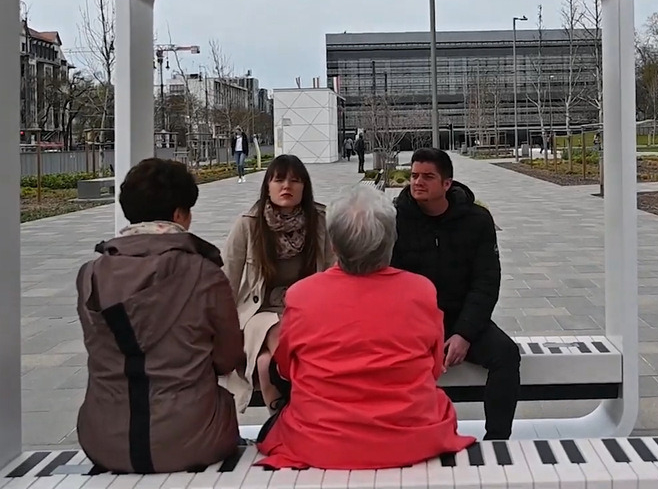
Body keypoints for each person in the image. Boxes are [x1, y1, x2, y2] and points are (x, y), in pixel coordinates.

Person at [256, 184, 474, 470]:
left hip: (321, 442)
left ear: (333, 245)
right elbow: (434, 368)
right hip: (412, 438)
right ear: (390, 242)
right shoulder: (421, 291)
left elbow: (286, 368)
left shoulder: (301, 295)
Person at [76, 158, 243, 473]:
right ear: (180, 214)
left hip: (103, 441)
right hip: (194, 438)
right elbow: (227, 357)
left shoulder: (91, 275)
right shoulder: (204, 272)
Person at [391, 147, 520, 440]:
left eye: (427, 177)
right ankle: (402, 437)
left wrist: (464, 333)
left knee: (506, 355)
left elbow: (486, 282)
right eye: (413, 176)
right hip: (413, 324)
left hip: (462, 318)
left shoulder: (476, 221)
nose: (417, 182)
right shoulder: (395, 220)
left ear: (447, 184)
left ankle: (498, 440)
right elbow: (388, 283)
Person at [222, 154, 333, 413]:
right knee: (277, 327)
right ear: (267, 186)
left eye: (295, 181)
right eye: (279, 180)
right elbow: (227, 278)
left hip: (307, 310)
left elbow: (332, 270)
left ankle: (280, 417)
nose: (287, 186)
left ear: (304, 187)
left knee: (264, 364)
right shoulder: (248, 224)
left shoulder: (320, 221)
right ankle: (305, 403)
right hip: (260, 312)